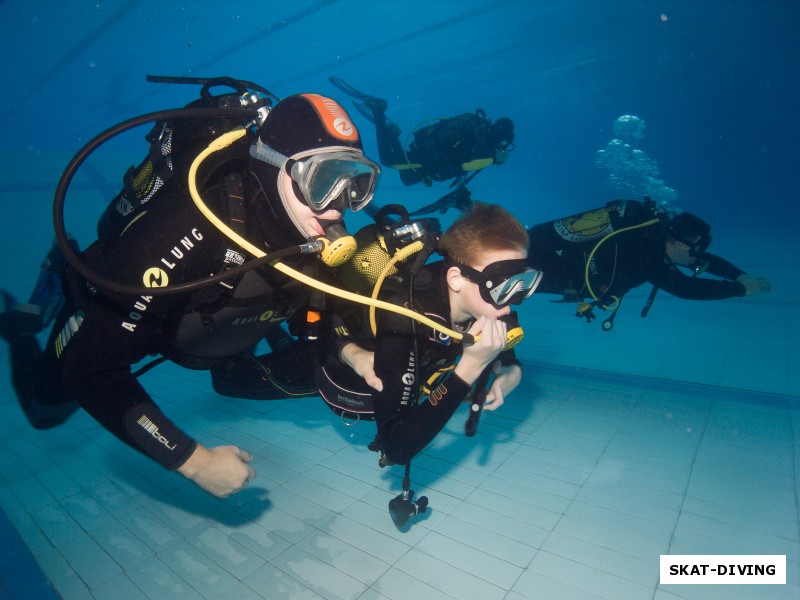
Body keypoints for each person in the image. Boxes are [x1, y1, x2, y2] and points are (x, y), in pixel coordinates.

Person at [0, 91, 381, 498]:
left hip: (195, 325)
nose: (339, 206)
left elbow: (314, 311)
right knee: (46, 408)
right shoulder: (192, 227)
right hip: (116, 302)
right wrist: (192, 461)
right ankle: (33, 311)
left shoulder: (314, 234)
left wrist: (354, 354)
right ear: (275, 167)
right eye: (323, 181)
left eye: (356, 183)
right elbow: (92, 371)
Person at [321, 202, 540, 468]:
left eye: (523, 284)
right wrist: (469, 369)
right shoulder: (405, 314)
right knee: (258, 380)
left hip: (415, 384)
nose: (511, 303)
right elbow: (397, 447)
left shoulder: (481, 301)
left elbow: (505, 351)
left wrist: (511, 369)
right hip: (342, 382)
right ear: (456, 279)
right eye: (503, 286)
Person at [526, 198, 771, 326]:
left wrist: (739, 276)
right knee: (501, 279)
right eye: (694, 249)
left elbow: (706, 262)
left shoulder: (653, 236)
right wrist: (738, 289)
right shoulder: (645, 255)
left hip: (557, 262)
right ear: (676, 242)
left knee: (502, 274)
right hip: (555, 268)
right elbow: (687, 288)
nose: (697, 256)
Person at [329, 76, 515, 214]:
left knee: (407, 179)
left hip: (427, 163)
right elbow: (462, 165)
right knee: (388, 160)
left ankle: (391, 132)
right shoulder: (479, 141)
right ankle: (379, 110)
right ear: (500, 137)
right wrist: (492, 159)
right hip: (426, 159)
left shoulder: (480, 139)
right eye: (504, 144)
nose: (503, 149)